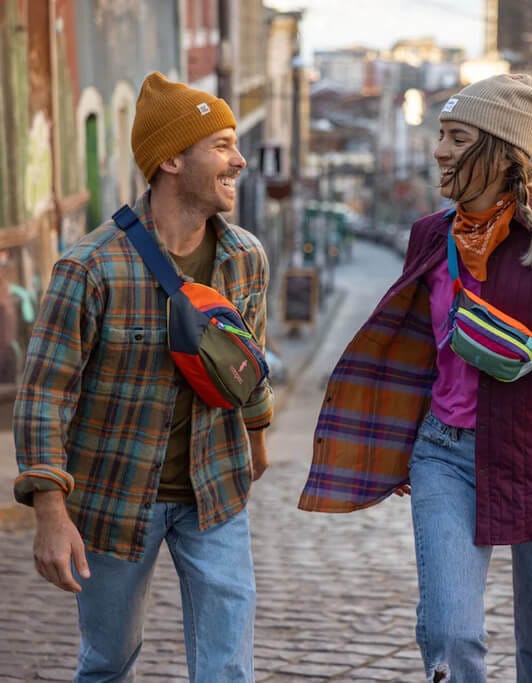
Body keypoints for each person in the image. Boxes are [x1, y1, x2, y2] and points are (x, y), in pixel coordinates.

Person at [299, 74, 532, 682]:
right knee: (450, 634)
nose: (439, 150)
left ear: (501, 151)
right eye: (440, 134)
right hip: (446, 456)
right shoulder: (429, 236)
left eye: (457, 136)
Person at [13, 72, 272, 682]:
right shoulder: (89, 267)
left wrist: (257, 439)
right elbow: (44, 394)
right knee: (108, 662)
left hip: (217, 495)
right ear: (172, 159)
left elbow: (250, 362)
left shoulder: (246, 258)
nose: (239, 159)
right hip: (115, 498)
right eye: (222, 144)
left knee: (228, 669)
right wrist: (51, 510)